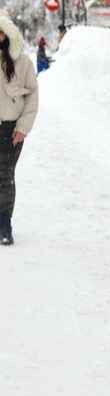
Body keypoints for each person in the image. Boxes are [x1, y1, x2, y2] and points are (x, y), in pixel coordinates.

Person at [0, 15, 39, 246]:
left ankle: (5, 224)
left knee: (5, 177)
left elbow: (33, 96)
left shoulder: (23, 63)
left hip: (10, 128)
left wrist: (23, 128)